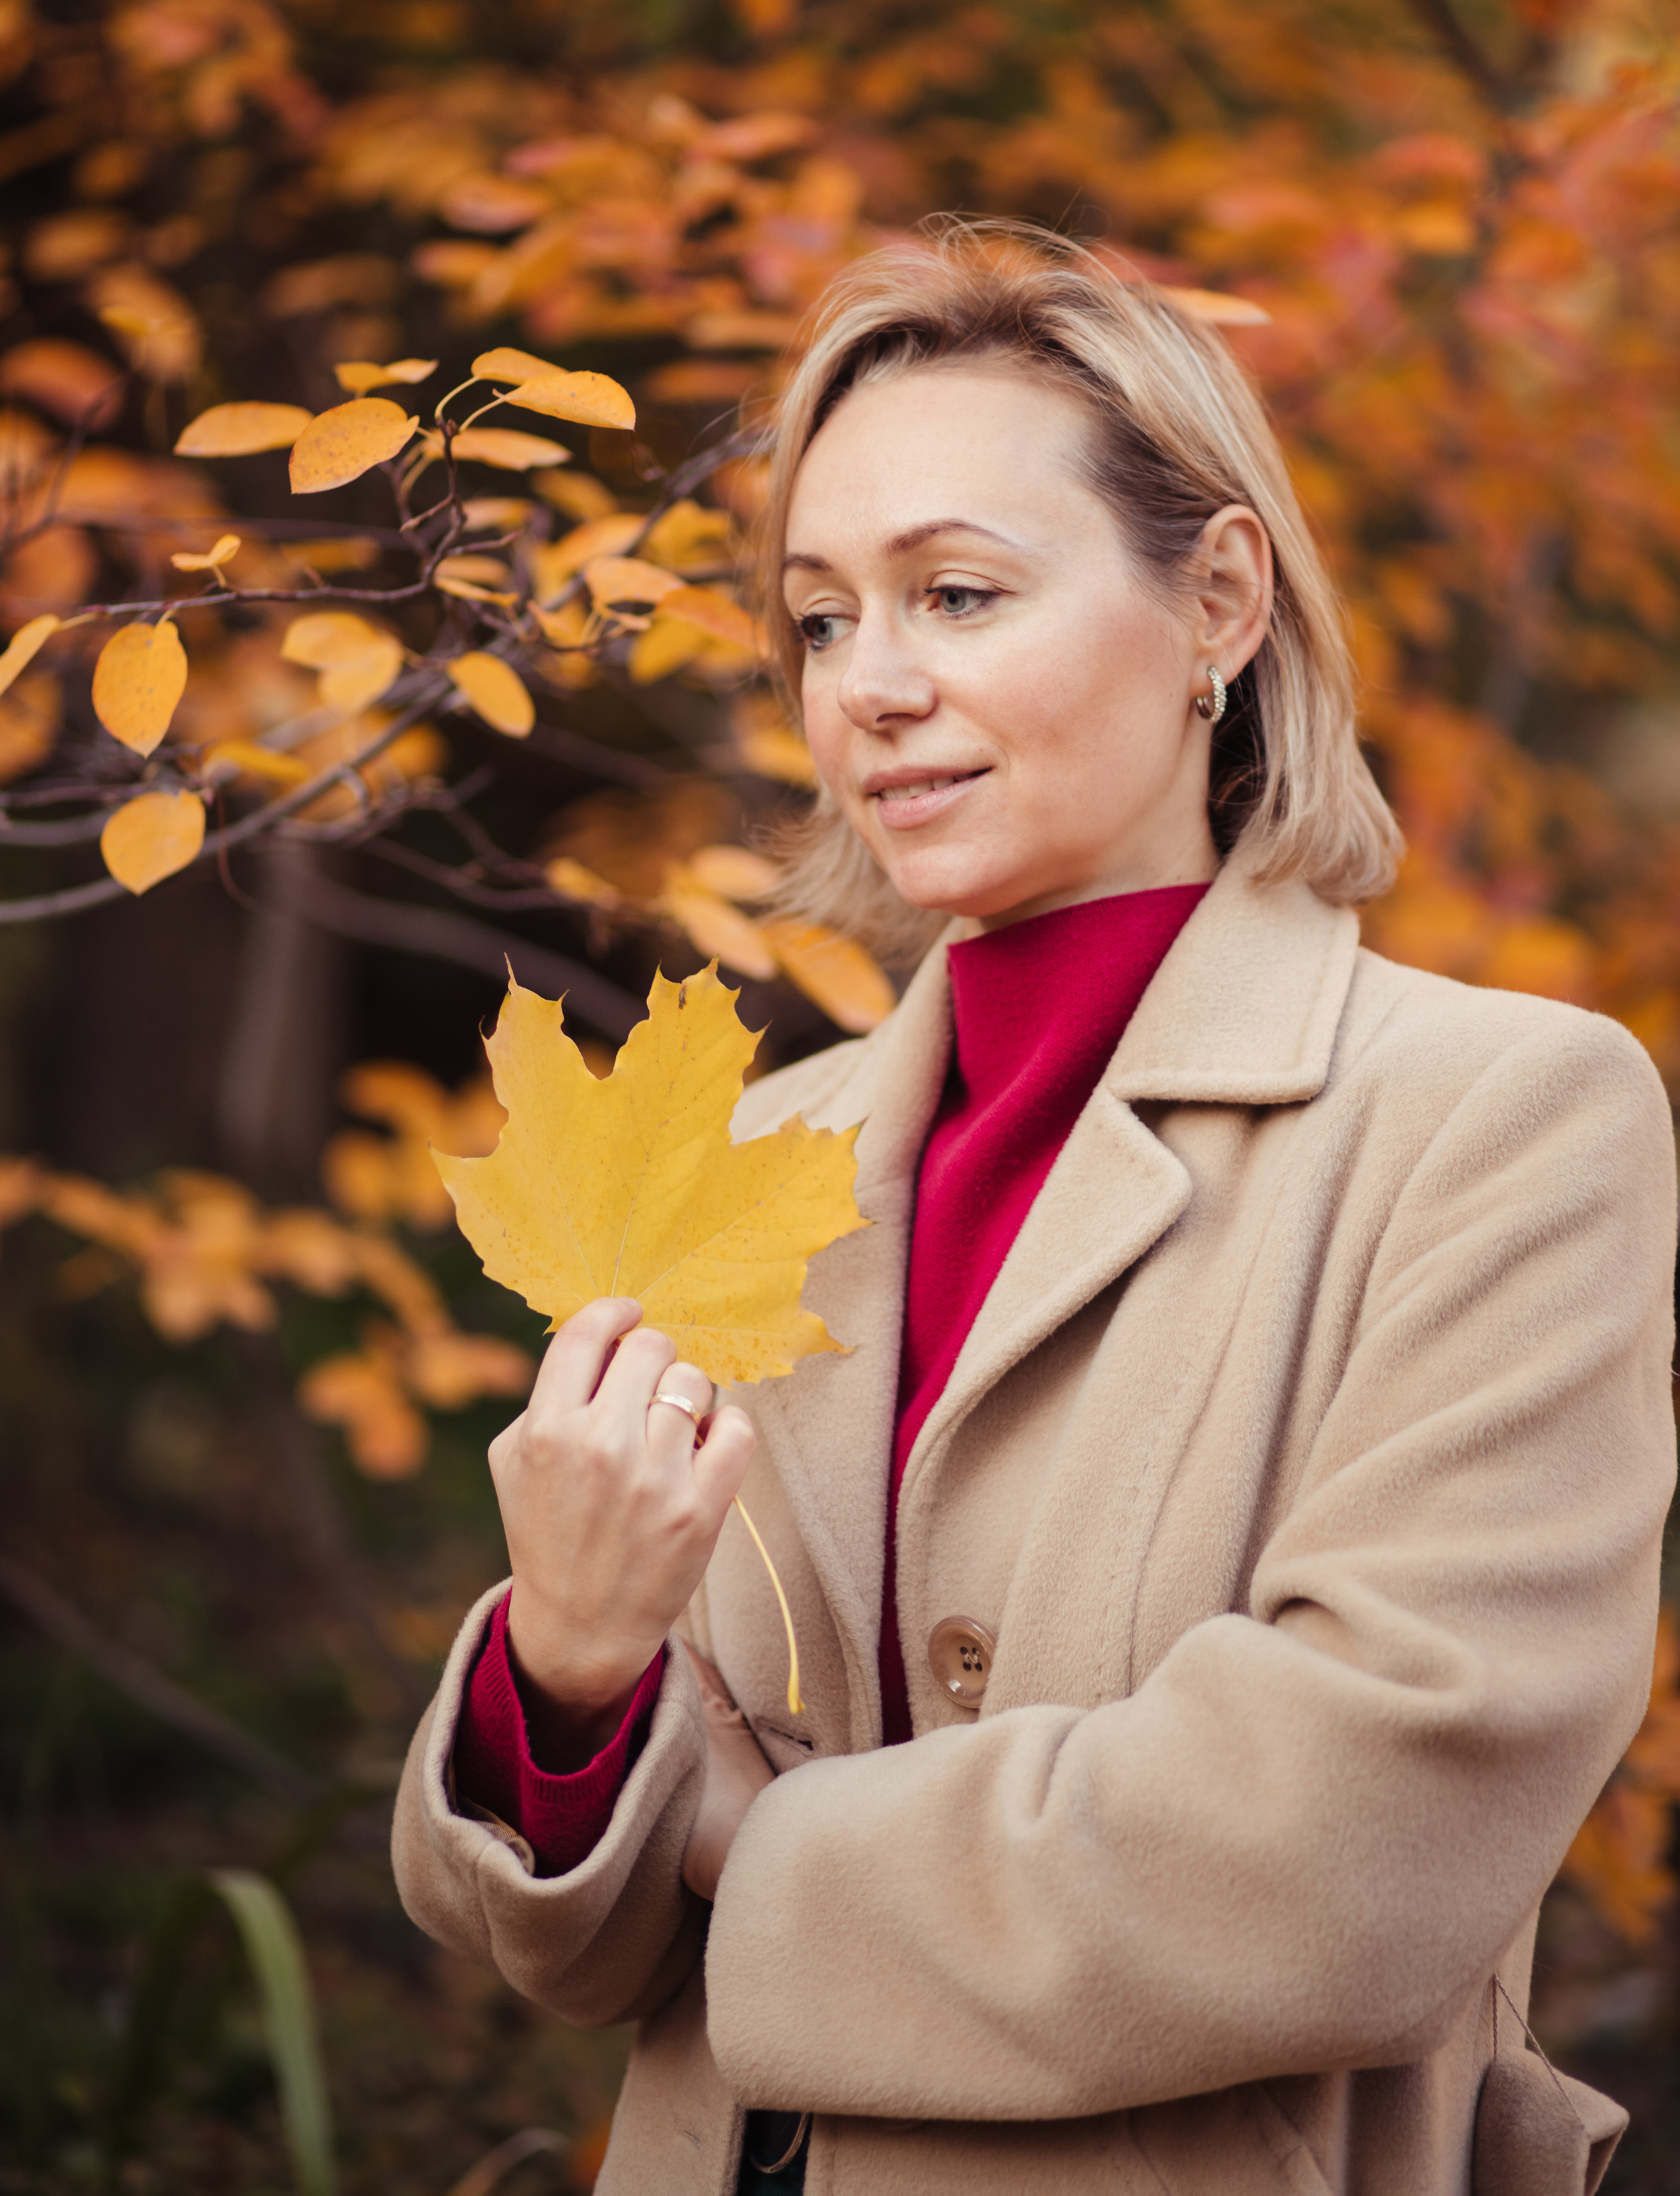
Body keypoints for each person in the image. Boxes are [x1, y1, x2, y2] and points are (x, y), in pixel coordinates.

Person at [393, 224, 1676, 2196]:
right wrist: (564, 1669)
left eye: (959, 594)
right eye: (820, 622)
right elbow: (567, 1953)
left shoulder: (1497, 1119)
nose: (872, 689)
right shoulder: (768, 1162)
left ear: (1221, 603)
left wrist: (749, 1828)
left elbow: (1343, 1849)